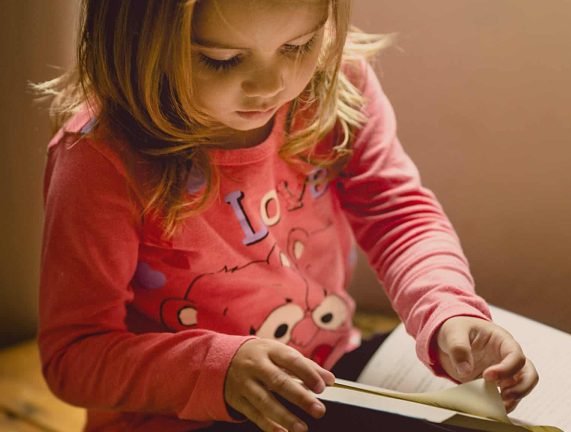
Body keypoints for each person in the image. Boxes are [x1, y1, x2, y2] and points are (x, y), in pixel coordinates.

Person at [36, 1, 539, 431]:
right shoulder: (99, 160)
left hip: (331, 374)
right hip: (182, 416)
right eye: (221, 59)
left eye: (298, 46)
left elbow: (397, 212)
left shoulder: (334, 86)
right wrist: (216, 370)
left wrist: (446, 307)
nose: (271, 85)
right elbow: (73, 356)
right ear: (132, 40)